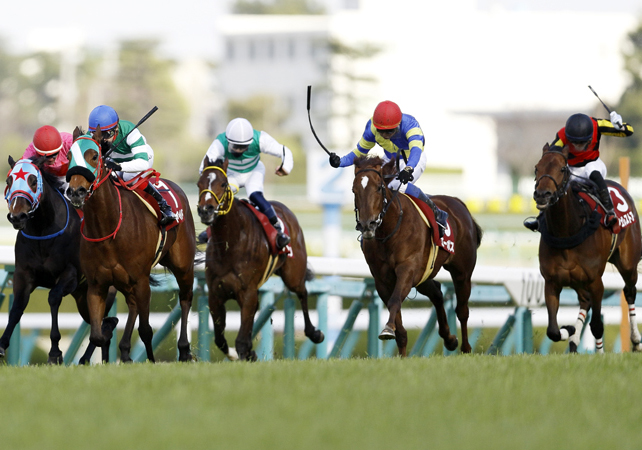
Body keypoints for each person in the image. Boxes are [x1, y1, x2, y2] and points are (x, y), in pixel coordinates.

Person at [328, 100, 448, 236]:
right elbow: (359, 152)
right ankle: (370, 223)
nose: (385, 135)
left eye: (389, 131)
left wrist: (409, 168)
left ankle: (436, 212)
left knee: (397, 185)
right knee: (374, 184)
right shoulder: (371, 128)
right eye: (381, 131)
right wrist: (340, 161)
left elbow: (415, 150)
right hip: (390, 159)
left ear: (398, 125)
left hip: (413, 159)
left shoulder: (410, 125)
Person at [524, 111, 634, 232]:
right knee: (555, 184)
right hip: (572, 168)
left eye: (582, 142)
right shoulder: (562, 135)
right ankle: (541, 218)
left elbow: (629, 130)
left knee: (592, 171)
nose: (577, 146)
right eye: (574, 142)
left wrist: (620, 126)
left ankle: (610, 212)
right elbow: (551, 154)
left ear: (590, 137)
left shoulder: (598, 125)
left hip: (593, 163)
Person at [198, 117, 294, 249]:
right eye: (235, 146)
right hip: (231, 174)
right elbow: (205, 166)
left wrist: (286, 167)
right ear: (228, 141)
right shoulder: (220, 142)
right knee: (222, 198)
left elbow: (284, 151)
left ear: (250, 141)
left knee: (255, 196)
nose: (238, 150)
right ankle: (210, 231)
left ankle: (277, 229)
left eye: (243, 147)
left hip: (253, 172)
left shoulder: (260, 139)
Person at [87, 105, 176, 226]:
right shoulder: (91, 135)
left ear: (116, 128)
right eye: (97, 134)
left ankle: (163, 205)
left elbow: (143, 163)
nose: (103, 140)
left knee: (128, 177)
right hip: (115, 160)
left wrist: (118, 166)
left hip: (141, 158)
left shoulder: (130, 131)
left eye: (106, 134)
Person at [21, 125, 73, 192]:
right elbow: (19, 171)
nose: (50, 159)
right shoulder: (30, 152)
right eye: (46, 156)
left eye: (54, 154)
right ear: (37, 151)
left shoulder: (70, 143)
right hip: (47, 178)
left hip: (70, 174)